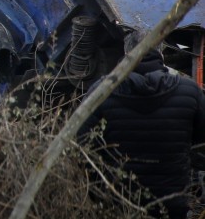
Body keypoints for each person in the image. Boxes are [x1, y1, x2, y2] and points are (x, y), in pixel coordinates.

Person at [78, 31, 205, 218]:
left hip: (117, 202)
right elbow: (201, 141)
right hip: (171, 205)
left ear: (127, 52)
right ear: (161, 53)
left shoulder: (102, 91)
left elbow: (79, 144)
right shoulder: (189, 92)